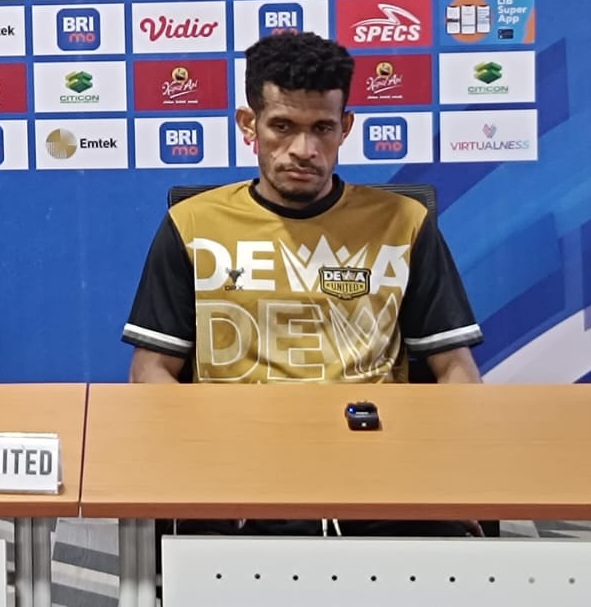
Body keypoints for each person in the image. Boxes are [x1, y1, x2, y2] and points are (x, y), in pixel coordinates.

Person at [123, 31, 485, 536]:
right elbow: (151, 373)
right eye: (282, 126)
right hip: (238, 478)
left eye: (322, 128)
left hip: (380, 474)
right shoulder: (192, 225)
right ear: (248, 125)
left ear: (346, 128)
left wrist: (448, 475)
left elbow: (456, 373)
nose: (303, 149)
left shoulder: (404, 223)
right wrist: (205, 466)